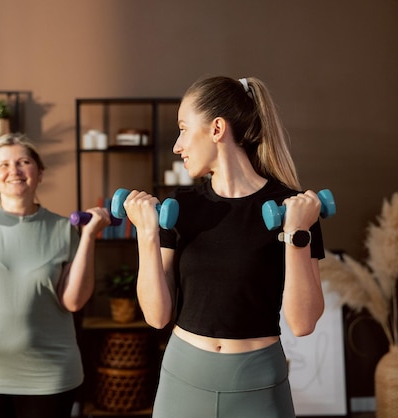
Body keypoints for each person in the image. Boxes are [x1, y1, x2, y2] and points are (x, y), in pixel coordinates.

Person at [122, 76, 326, 418]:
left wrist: (297, 235)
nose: (177, 145)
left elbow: (302, 323)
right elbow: (157, 316)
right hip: (183, 379)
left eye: (184, 129)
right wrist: (147, 235)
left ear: (217, 129)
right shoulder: (181, 206)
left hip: (258, 384)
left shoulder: (294, 209)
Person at [0, 133, 111, 418]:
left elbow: (73, 302)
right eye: (3, 164)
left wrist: (89, 236)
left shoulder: (64, 228)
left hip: (48, 375)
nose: (14, 170)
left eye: (24, 162)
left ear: (39, 173)